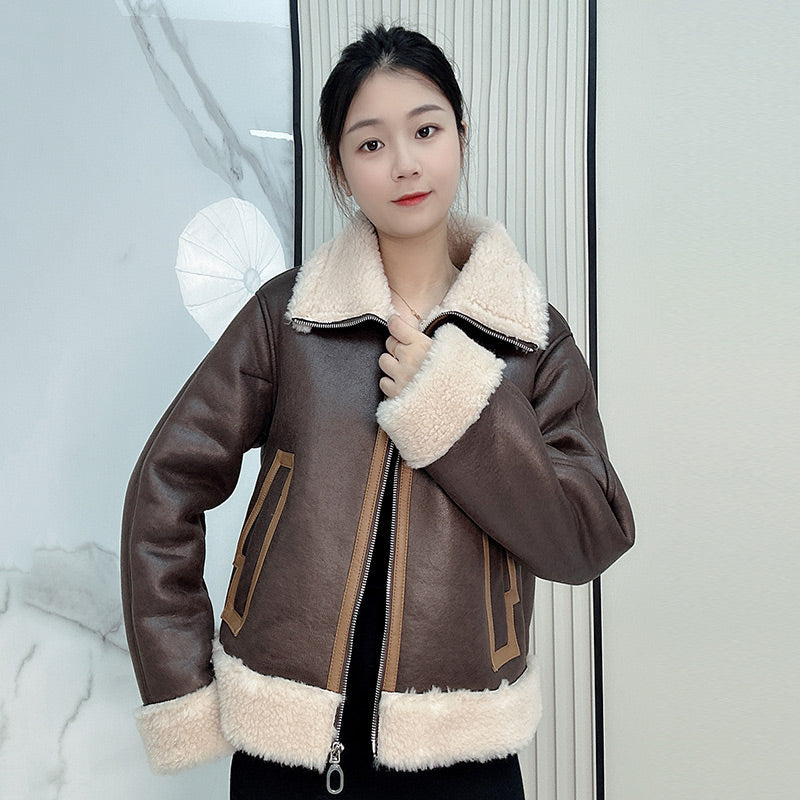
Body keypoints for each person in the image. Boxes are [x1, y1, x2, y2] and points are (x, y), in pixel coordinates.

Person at [121, 23, 634, 800]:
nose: (405, 164)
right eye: (370, 144)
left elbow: (586, 542)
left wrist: (457, 404)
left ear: (461, 135)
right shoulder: (289, 320)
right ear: (339, 166)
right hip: (290, 751)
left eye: (426, 130)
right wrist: (183, 687)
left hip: (463, 756)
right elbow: (164, 490)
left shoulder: (530, 339)